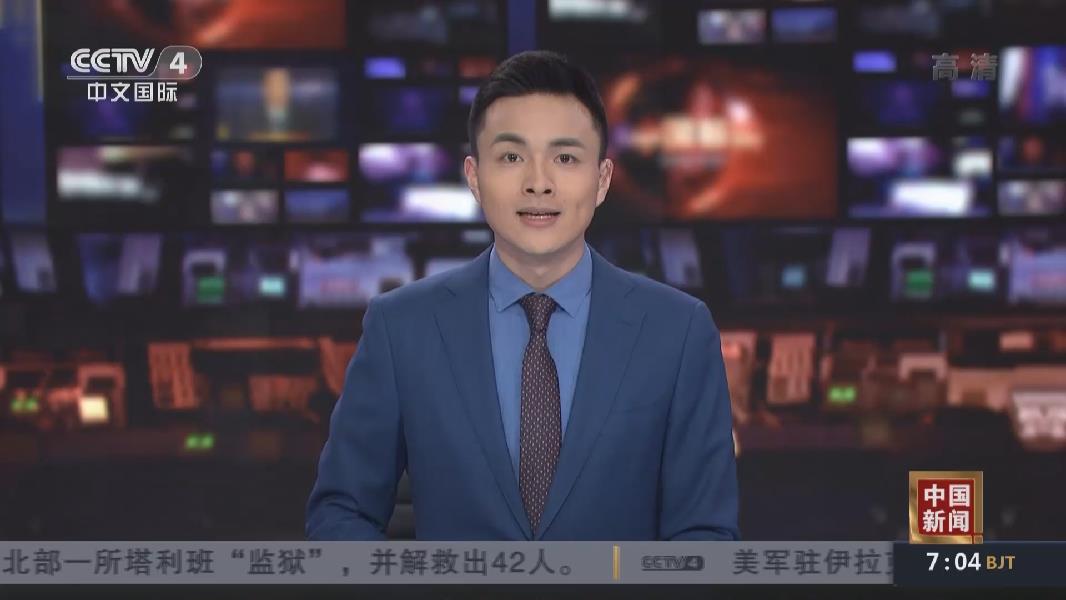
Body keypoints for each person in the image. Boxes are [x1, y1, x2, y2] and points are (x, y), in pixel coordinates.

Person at [306, 50, 738, 541]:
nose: (538, 183)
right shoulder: (401, 327)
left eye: (565, 158)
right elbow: (340, 514)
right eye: (512, 157)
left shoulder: (677, 332)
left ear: (602, 181)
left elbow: (706, 535)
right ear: (474, 178)